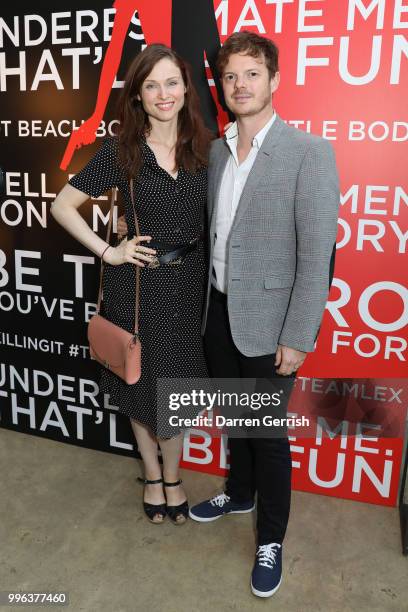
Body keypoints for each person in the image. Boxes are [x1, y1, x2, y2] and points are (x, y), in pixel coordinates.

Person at [187, 31, 340, 598]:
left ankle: (270, 537)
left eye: (252, 73)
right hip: (219, 313)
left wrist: (298, 336)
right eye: (230, 76)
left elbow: (317, 253)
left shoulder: (308, 152)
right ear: (221, 87)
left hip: (274, 326)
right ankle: (240, 492)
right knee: (237, 419)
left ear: (274, 81)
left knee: (268, 434)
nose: (240, 85)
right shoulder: (217, 151)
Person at [51, 44, 213, 525]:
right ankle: (153, 475)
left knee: (176, 392)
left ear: (186, 88)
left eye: (171, 82)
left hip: (189, 290)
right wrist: (109, 251)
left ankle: (175, 475)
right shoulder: (123, 149)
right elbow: (61, 206)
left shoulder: (209, 147)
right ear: (138, 96)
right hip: (137, 287)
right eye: (151, 85)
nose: (164, 94)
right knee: (139, 385)